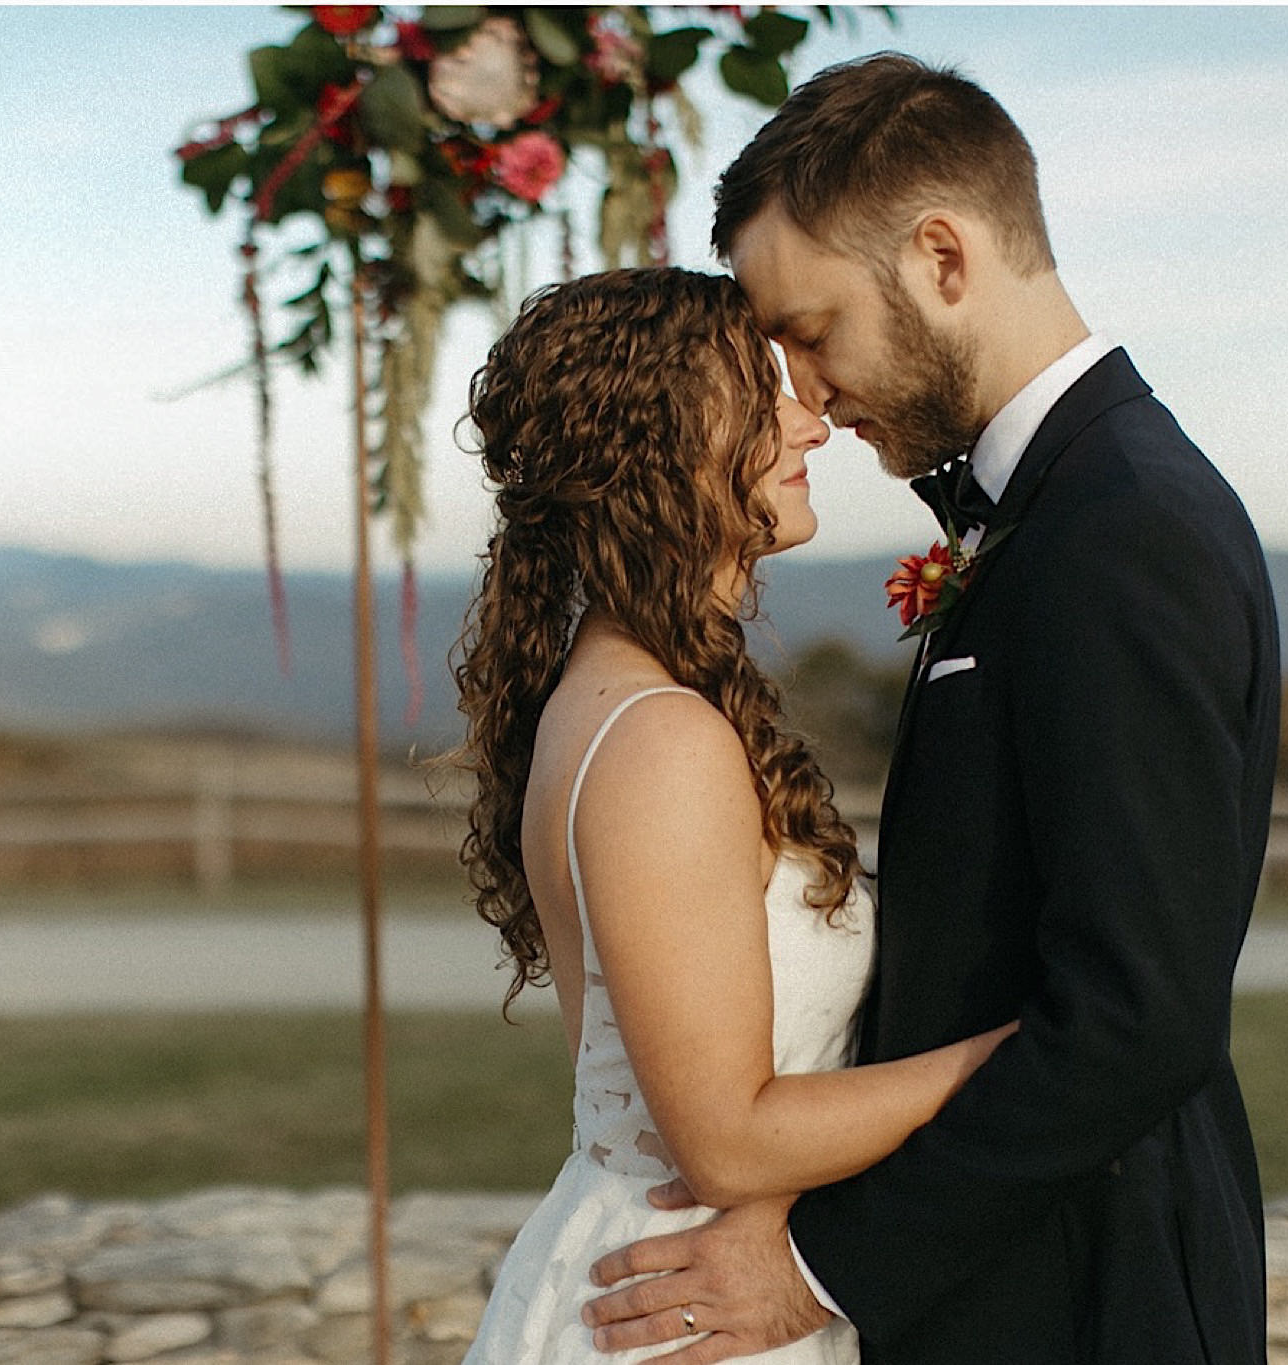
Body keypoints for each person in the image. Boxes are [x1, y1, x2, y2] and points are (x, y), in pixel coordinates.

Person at [583, 54, 1281, 1364]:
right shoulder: (1047, 512)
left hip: (1086, 1293)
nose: (803, 387)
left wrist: (819, 1266)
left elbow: (1140, 1016)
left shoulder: (1122, 528)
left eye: (808, 327)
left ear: (942, 258)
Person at [451, 267, 1016, 1364]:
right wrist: (1014, 1055)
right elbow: (724, 1142)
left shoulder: (623, 699)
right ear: (662, 448)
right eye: (761, 402)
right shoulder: (658, 741)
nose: (809, 423)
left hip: (689, 1280)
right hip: (682, 1310)